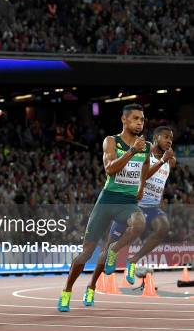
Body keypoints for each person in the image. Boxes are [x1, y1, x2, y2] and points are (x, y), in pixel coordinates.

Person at [58, 104, 149, 312]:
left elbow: (144, 165)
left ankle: (99, 274)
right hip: (108, 200)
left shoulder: (146, 146)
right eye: (135, 118)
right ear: (124, 120)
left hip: (128, 203)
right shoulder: (111, 141)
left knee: (139, 223)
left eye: (142, 119)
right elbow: (110, 169)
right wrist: (132, 150)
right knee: (86, 254)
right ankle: (67, 291)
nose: (139, 123)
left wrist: (142, 186)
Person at [83, 126, 175, 306]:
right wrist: (161, 161)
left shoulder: (170, 159)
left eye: (171, 139)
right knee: (106, 250)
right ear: (156, 138)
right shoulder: (144, 153)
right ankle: (91, 286)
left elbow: (164, 174)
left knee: (163, 226)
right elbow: (144, 175)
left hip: (152, 207)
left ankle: (133, 260)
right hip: (133, 206)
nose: (169, 141)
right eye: (166, 137)